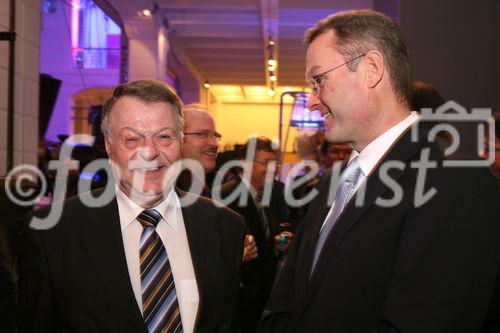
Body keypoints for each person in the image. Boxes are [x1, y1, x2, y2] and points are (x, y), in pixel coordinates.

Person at [258, 9, 500, 333]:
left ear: (371, 70)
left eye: (319, 81)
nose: (312, 101)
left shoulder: (456, 181)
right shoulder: (334, 182)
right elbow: (286, 302)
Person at [17, 80, 245, 333]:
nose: (149, 152)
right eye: (132, 139)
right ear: (108, 144)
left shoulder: (225, 226)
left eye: (164, 137)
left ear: (180, 141)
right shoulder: (53, 233)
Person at [218, 137, 291, 333]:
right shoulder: (226, 196)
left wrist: (276, 244)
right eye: (266, 163)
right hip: (241, 302)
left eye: (275, 163)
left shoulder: (272, 193)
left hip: (265, 297)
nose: (273, 169)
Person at [178, 103, 258, 262]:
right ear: (177, 138)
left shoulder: (199, 185)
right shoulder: (172, 189)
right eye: (202, 134)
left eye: (215, 135)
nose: (214, 143)